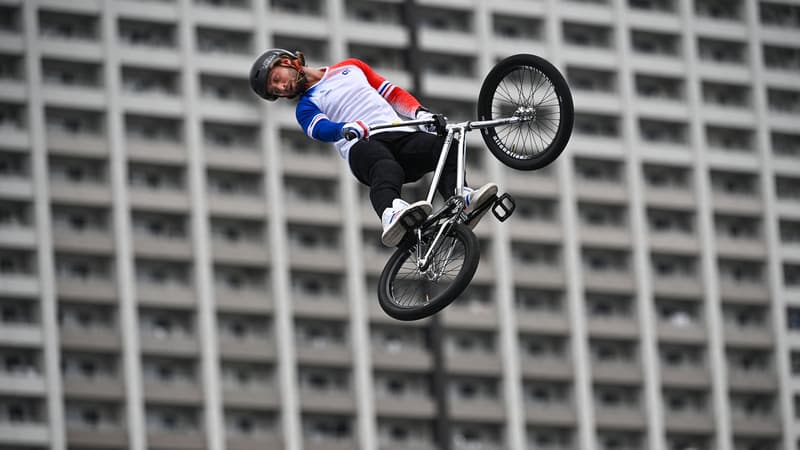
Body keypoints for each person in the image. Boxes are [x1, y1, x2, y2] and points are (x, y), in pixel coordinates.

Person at [249, 48, 498, 246]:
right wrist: (345, 128)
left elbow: (391, 93)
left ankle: (459, 198)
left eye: (277, 79)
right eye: (276, 90)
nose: (282, 88)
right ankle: (390, 214)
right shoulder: (306, 106)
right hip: (363, 146)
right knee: (386, 167)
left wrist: (420, 114)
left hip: (399, 136)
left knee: (446, 144)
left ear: (287, 61)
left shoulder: (351, 67)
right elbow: (319, 129)